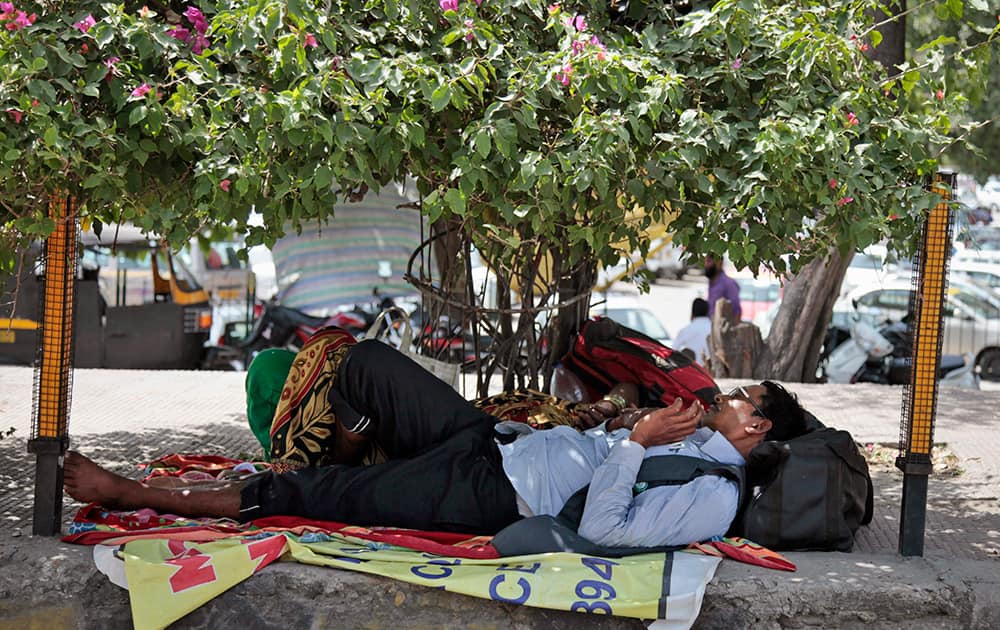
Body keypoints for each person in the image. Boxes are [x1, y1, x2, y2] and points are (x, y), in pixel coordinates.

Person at [64, 339, 809, 550]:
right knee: (369, 364)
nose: (726, 397)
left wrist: (636, 444)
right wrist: (621, 427)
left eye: (741, 398)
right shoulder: (690, 441)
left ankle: (134, 493)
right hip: (490, 443)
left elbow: (602, 529)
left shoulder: (714, 498)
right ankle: (355, 461)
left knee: (315, 497)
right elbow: (610, 446)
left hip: (490, 496)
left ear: (757, 428)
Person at [672, 297, 712, 365]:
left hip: (693, 371)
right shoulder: (713, 329)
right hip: (714, 372)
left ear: (692, 312)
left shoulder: (686, 330)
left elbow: (672, 351)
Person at [704, 255, 742, 322]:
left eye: (709, 261)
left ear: (719, 263)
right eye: (705, 261)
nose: (705, 265)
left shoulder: (729, 284)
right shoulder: (712, 282)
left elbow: (737, 312)